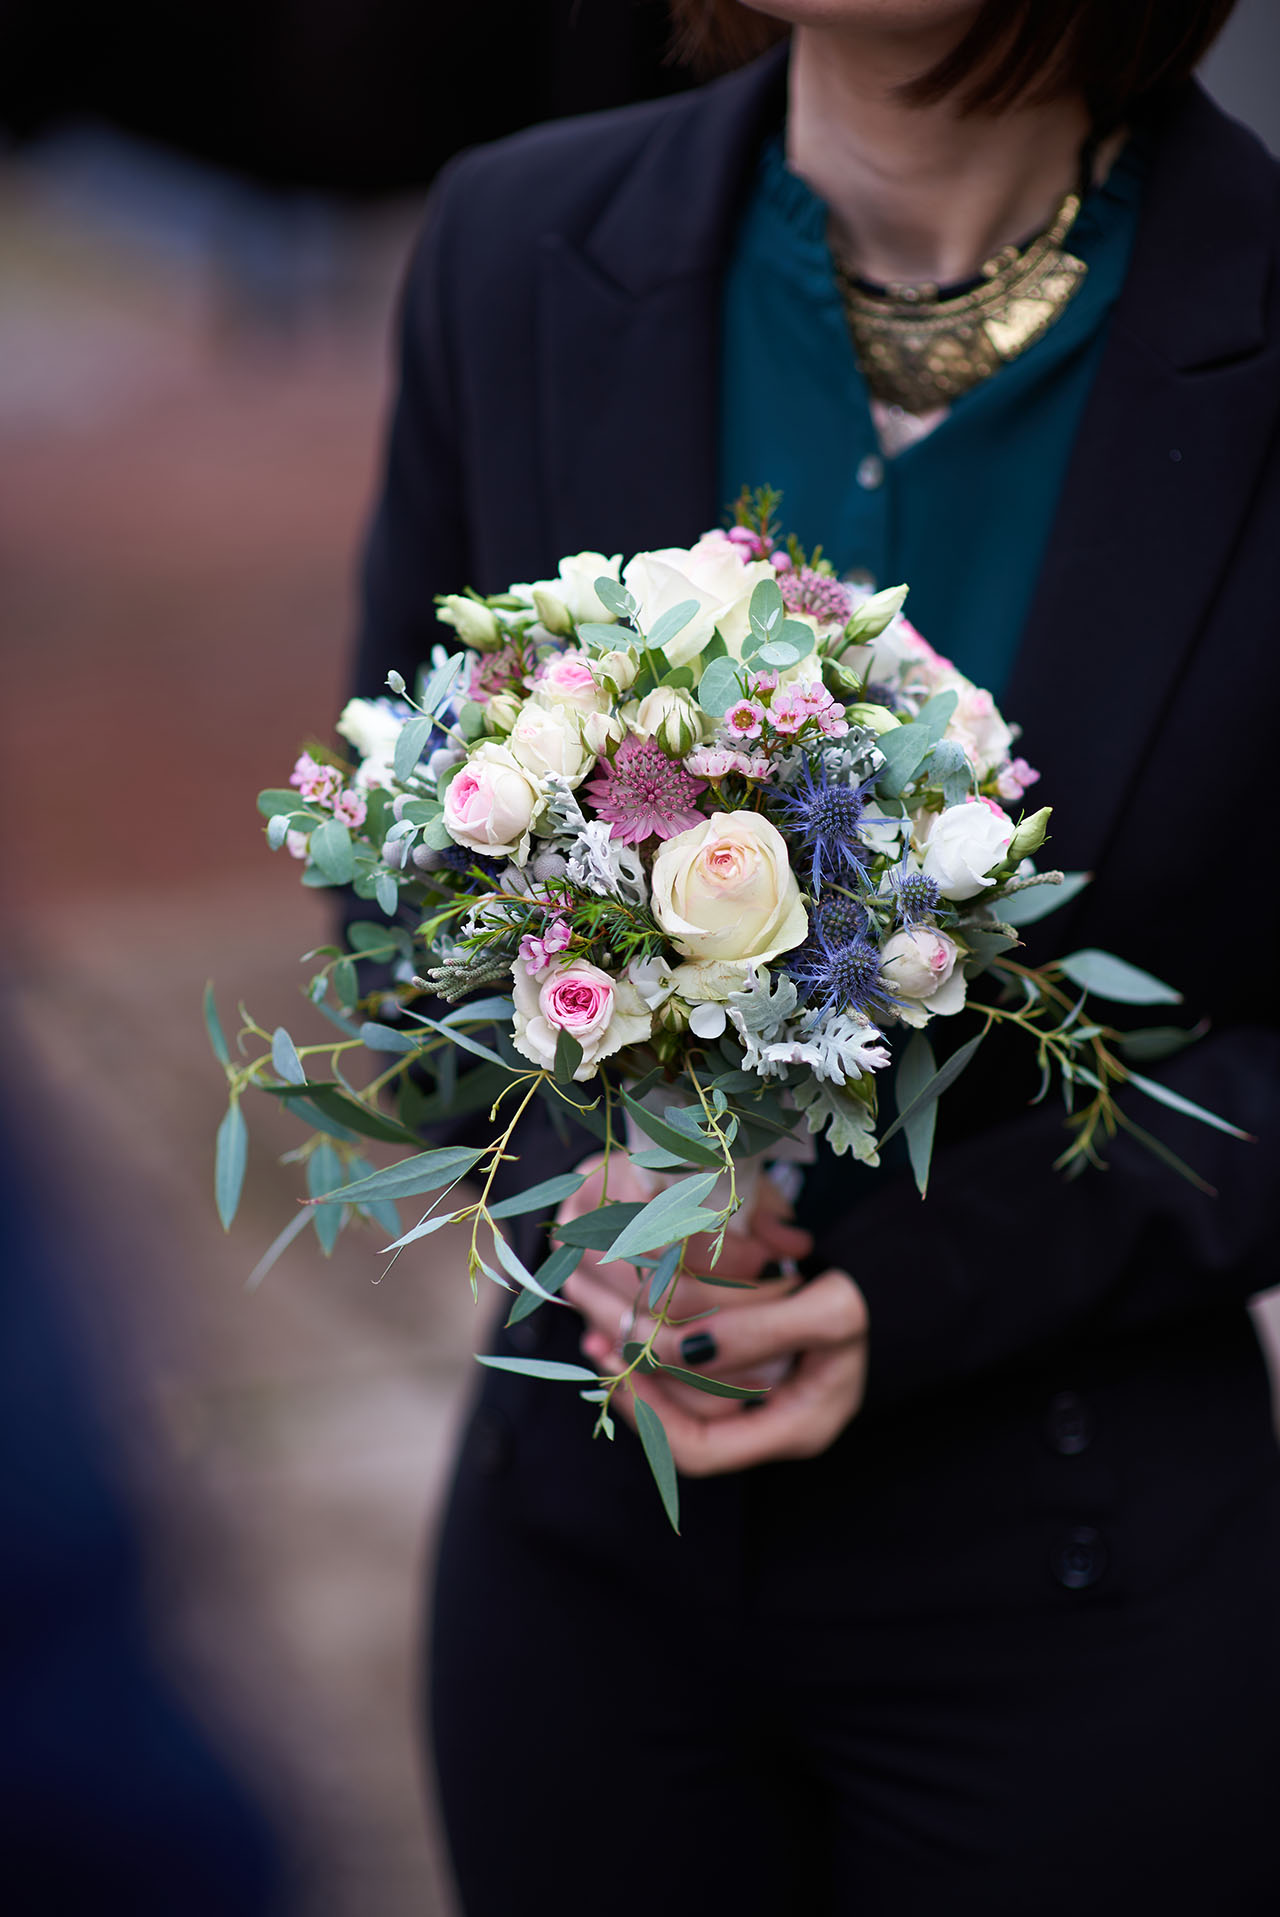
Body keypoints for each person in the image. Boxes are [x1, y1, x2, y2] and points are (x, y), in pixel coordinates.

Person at [353, 3, 1280, 1911]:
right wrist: (576, 1177)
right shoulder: (514, 246)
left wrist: (929, 1286)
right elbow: (393, 882)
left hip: (1077, 1590)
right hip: (585, 1564)